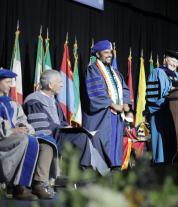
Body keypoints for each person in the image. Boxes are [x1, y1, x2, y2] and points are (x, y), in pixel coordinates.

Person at [23, 70, 109, 175]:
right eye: (59, 82)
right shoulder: (34, 100)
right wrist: (63, 129)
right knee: (81, 137)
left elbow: (62, 122)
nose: (62, 85)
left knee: (94, 136)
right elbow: (40, 127)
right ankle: (83, 172)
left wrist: (67, 127)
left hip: (58, 134)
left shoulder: (53, 100)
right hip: (48, 137)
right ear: (50, 85)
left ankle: (102, 172)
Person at [0, 69, 57, 200]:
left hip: (16, 136)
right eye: (7, 82)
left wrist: (24, 127)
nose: (10, 85)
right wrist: (12, 130)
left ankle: (39, 183)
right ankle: (19, 186)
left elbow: (22, 120)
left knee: (46, 143)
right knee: (24, 140)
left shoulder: (13, 104)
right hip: (3, 137)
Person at [82, 40, 131, 169]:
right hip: (101, 116)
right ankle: (99, 173)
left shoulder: (115, 72)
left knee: (115, 144)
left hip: (116, 117)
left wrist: (126, 103)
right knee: (102, 143)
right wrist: (112, 104)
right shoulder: (93, 70)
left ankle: (115, 168)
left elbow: (124, 88)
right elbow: (96, 91)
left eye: (110, 52)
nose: (109, 55)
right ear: (98, 55)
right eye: (106, 52)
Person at [146, 50, 178, 164]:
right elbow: (152, 95)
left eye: (177, 62)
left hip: (175, 115)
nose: (174, 64)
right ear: (165, 59)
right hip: (159, 113)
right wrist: (168, 97)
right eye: (172, 60)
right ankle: (159, 168)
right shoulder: (157, 72)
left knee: (173, 144)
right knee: (160, 145)